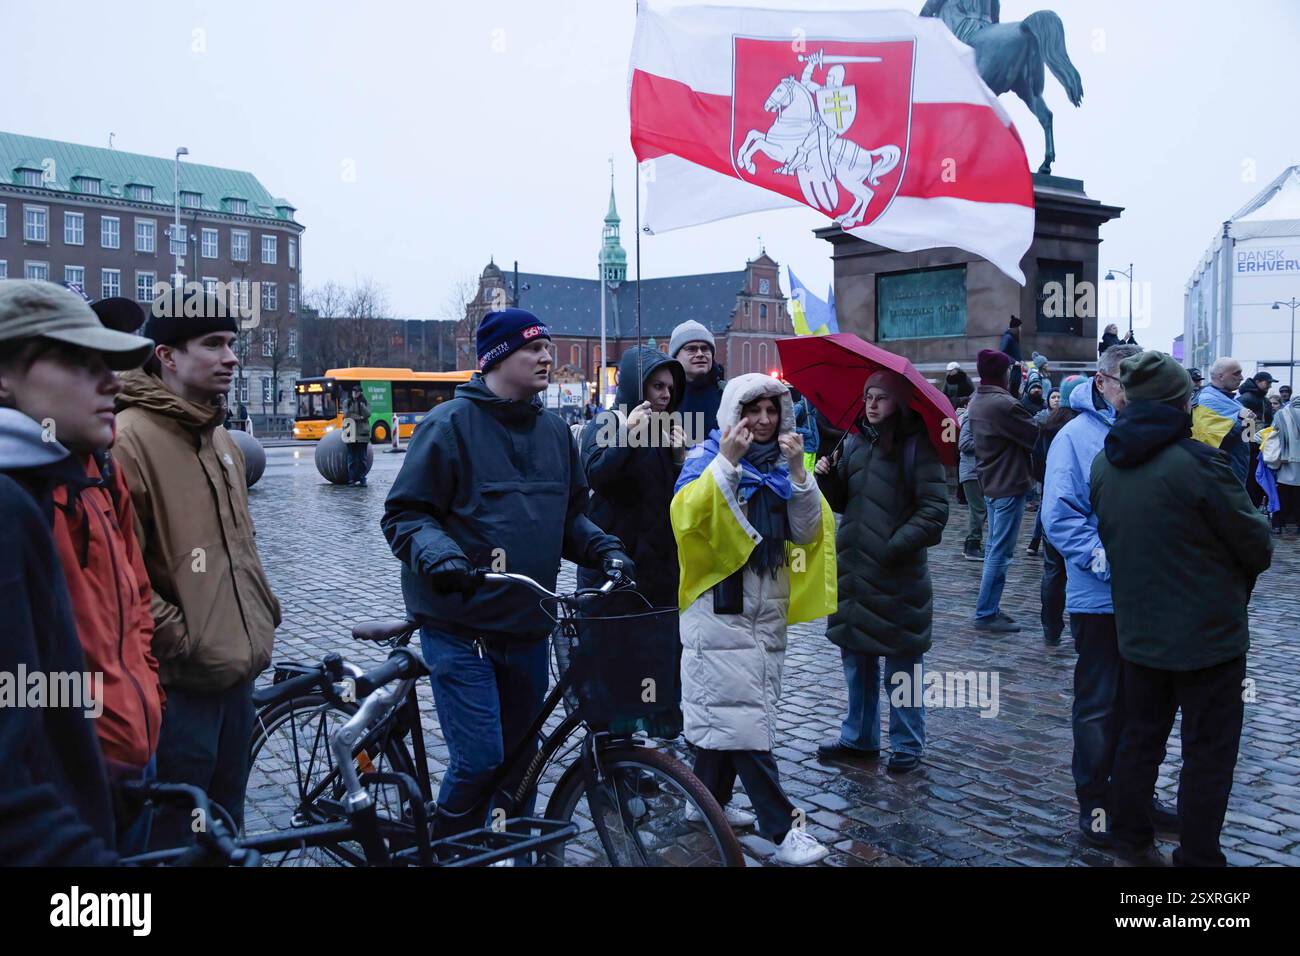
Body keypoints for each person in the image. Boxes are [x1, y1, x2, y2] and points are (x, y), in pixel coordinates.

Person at [383, 308, 631, 840]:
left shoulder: (555, 433)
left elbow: (568, 519)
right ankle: (444, 849)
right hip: (461, 627)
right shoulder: (448, 426)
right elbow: (405, 514)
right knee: (480, 759)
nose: (546, 357)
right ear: (496, 359)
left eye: (548, 348)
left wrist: (605, 549)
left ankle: (517, 853)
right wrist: (439, 555)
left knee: (521, 766)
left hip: (527, 628)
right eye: (532, 349)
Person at [113, 294, 282, 849]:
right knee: (171, 841)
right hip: (179, 689)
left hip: (236, 676)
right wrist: (183, 642)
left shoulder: (218, 438)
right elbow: (124, 577)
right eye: (212, 344)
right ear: (165, 354)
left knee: (223, 834)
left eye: (232, 343)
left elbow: (238, 548)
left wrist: (262, 614)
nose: (231, 357)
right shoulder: (128, 440)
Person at [0, 281, 160, 865]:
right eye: (77, 360)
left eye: (111, 364)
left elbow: (137, 596)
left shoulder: (61, 476)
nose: (112, 382)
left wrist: (144, 698)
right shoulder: (9, 506)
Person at [1092, 351, 1272, 866]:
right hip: (1208, 640)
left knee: (1138, 742)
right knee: (1208, 753)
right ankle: (1197, 855)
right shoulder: (1198, 462)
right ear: (1181, 402)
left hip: (1139, 633)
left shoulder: (1105, 463)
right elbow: (1256, 543)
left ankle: (1129, 839)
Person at [671, 373, 835, 865]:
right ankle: (783, 829)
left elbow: (806, 535)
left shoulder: (785, 469)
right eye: (753, 411)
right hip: (719, 608)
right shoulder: (707, 461)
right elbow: (686, 518)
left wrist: (800, 474)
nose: (763, 421)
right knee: (746, 721)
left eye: (771, 411)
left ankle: (704, 801)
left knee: (733, 712)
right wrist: (728, 464)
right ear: (733, 415)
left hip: (767, 608)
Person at [1041, 346, 1178, 848]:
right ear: (1102, 382)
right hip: (1099, 599)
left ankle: (1137, 796)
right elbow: (1058, 516)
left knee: (1148, 706)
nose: (1133, 390)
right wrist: (1108, 558)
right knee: (1099, 706)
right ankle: (1096, 804)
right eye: (1125, 380)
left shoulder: (1158, 433)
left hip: (1154, 598)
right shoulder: (1076, 438)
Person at [814, 370, 948, 773]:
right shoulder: (853, 442)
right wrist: (827, 480)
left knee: (901, 665)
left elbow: (935, 511)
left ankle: (907, 744)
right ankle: (859, 737)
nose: (871, 404)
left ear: (900, 403)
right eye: (868, 396)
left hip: (897, 577)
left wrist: (893, 546)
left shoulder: (917, 447)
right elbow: (845, 503)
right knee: (857, 659)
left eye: (881, 398)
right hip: (854, 574)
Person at [576, 346, 686, 729]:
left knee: (651, 670)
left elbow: (681, 502)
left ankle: (649, 750)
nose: (665, 395)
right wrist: (626, 436)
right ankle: (614, 758)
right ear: (636, 386)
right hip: (613, 574)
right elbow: (596, 477)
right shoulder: (605, 422)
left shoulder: (670, 427)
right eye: (657, 386)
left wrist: (678, 460)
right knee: (611, 670)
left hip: (657, 576)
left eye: (670, 388)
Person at [967, 349, 1038, 633]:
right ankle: (986, 612)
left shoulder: (978, 399)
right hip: (1008, 484)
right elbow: (1033, 434)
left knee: (997, 548)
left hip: (992, 482)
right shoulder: (1003, 404)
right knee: (1000, 552)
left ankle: (990, 607)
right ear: (1003, 373)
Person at [1028, 376, 1084, 644]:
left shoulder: (1047, 425)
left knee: (1053, 571)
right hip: (1081, 506)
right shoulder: (1085, 425)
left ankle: (1051, 629)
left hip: (1052, 505)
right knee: (1079, 571)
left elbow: (1036, 465)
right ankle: (1080, 628)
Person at [1191, 357, 1251, 484]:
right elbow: (1207, 439)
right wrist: (1240, 418)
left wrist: (1251, 426)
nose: (1241, 378)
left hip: (1236, 469)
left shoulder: (1231, 400)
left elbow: (1247, 437)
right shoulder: (1206, 400)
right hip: (1220, 475)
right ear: (1221, 376)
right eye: (1236, 373)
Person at [669, 319, 725, 444]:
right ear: (675, 356)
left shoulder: (726, 393)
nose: (700, 354)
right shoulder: (665, 397)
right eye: (691, 349)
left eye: (705, 349)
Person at [955, 396, 985, 561]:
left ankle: (972, 544)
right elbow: (964, 444)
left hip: (979, 471)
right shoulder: (969, 418)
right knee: (979, 510)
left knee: (981, 510)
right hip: (971, 471)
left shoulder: (979, 419)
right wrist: (986, 443)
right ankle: (972, 546)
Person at [1268, 392, 1300, 534]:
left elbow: (1273, 432)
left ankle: (1278, 524)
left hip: (1286, 459)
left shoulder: (1281, 414)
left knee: (1282, 492)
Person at [342, 384, 371, 486]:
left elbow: (368, 414)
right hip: (350, 434)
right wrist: (359, 417)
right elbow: (346, 415)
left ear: (360, 393)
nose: (355, 393)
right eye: (353, 391)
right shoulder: (347, 402)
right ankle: (351, 479)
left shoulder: (365, 402)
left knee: (362, 458)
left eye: (357, 392)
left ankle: (362, 479)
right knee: (351, 459)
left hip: (362, 435)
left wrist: (361, 406)